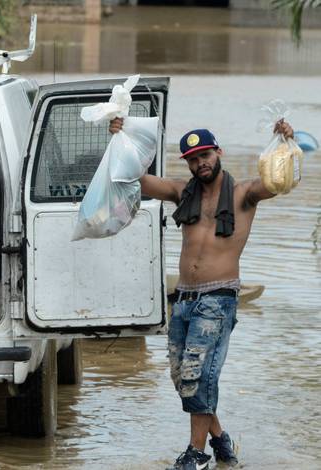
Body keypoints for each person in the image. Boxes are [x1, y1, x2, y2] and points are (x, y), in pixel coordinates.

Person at [109, 117, 294, 469]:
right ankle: (221, 441)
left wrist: (286, 142)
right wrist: (121, 137)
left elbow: (278, 183)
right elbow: (134, 177)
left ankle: (197, 454)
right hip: (184, 300)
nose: (200, 163)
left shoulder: (244, 195)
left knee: (198, 375)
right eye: (193, 159)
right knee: (183, 377)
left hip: (218, 298)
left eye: (205, 155)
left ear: (218, 152)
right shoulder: (183, 192)